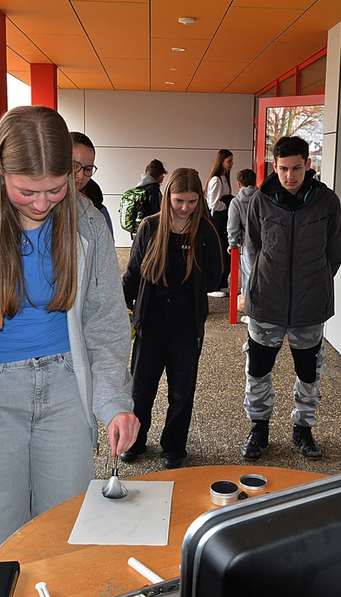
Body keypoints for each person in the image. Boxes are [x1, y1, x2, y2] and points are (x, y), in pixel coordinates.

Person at [0, 106, 139, 565]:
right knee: (3, 547)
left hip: (67, 391)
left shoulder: (88, 222)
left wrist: (115, 402)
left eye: (56, 189)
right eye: (26, 191)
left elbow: (107, 324)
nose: (41, 203)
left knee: (64, 535)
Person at [241, 136, 341, 461]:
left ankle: (304, 429)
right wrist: (261, 282)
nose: (290, 176)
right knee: (258, 370)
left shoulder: (327, 202)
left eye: (297, 168)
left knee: (309, 372)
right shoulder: (261, 200)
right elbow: (252, 247)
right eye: (283, 169)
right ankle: (259, 427)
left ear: (308, 164)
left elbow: (335, 251)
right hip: (266, 305)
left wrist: (315, 283)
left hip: (309, 307)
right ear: (275, 166)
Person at [120, 168, 222, 470]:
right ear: (168, 198)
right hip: (150, 321)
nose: (185, 208)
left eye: (192, 202)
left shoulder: (205, 231)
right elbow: (132, 275)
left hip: (186, 324)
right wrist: (117, 309)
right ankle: (135, 442)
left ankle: (174, 447)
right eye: (179, 201)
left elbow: (216, 278)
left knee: (182, 390)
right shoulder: (150, 228)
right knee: (141, 388)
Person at [226, 168, 260, 323]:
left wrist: (232, 243)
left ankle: (251, 313)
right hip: (265, 244)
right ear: (255, 181)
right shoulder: (263, 198)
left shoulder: (236, 202)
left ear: (238, 184)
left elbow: (232, 226)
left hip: (247, 245)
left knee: (248, 277)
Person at [70, 131, 113, 236]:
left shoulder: (98, 213)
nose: (80, 176)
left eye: (88, 169)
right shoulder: (41, 205)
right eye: (75, 166)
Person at [206, 149, 234, 297]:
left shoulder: (224, 178)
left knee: (225, 252)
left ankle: (222, 282)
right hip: (217, 220)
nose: (231, 164)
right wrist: (228, 203)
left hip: (224, 219)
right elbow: (213, 204)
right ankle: (213, 286)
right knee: (219, 252)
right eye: (229, 161)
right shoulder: (216, 180)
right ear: (221, 161)